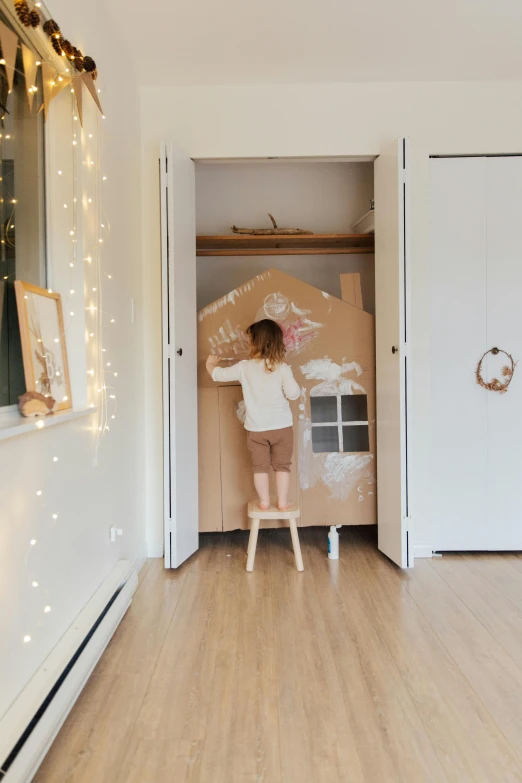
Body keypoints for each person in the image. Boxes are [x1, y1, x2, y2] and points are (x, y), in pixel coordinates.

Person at [206, 319, 300, 511]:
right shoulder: (282, 368)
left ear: (256, 342)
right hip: (282, 427)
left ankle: (264, 501)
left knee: (260, 467)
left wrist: (210, 364)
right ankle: (282, 501)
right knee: (282, 466)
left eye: (249, 339)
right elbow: (293, 394)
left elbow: (218, 375)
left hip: (256, 429)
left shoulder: (244, 367)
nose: (247, 343)